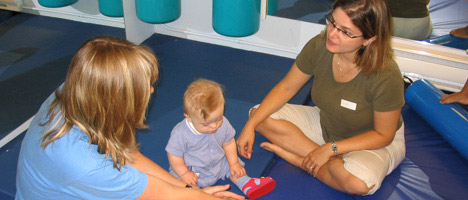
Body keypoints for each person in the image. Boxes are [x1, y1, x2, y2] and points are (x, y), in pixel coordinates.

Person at [15, 36, 244, 200]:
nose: (152, 91)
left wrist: (187, 187)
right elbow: (165, 195)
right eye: (145, 87)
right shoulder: (86, 165)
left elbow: (125, 154)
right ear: (117, 100)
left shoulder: (75, 92)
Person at [237, 0, 406, 196]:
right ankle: (323, 161)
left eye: (345, 31)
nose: (332, 33)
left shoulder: (386, 75)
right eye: (332, 22)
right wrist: (249, 126)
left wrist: (331, 149)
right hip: (328, 123)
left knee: (358, 185)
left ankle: (303, 161)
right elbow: (287, 87)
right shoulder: (320, 45)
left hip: (372, 141)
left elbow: (383, 135)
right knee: (258, 115)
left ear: (369, 40)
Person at [165, 79, 276, 199]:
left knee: (232, 167)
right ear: (189, 118)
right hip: (193, 169)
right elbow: (174, 155)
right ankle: (197, 193)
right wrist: (184, 173)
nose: (214, 126)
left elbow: (228, 143)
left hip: (218, 163)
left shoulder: (223, 123)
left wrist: (234, 163)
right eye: (206, 124)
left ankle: (247, 183)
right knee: (179, 183)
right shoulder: (181, 133)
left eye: (218, 119)